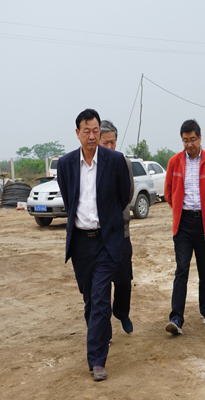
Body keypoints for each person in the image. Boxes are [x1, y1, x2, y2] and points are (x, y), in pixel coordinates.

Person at [57, 109, 132, 381]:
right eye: (86, 131)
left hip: (106, 241)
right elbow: (69, 198)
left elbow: (124, 196)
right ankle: (101, 335)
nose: (92, 136)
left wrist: (108, 223)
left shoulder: (115, 161)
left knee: (101, 298)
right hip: (80, 243)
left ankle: (97, 360)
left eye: (95, 131)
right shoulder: (65, 164)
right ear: (77, 133)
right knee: (89, 299)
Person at [164, 119, 205, 335]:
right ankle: (176, 318)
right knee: (181, 269)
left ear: (200, 138)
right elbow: (168, 193)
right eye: (185, 140)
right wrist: (180, 211)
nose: (189, 144)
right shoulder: (174, 162)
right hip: (183, 224)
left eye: (192, 139)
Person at [99, 120, 135, 336]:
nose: (110, 147)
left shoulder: (124, 162)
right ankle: (103, 327)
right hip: (98, 234)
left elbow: (129, 193)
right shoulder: (91, 165)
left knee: (123, 279)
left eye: (113, 142)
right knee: (100, 283)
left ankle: (122, 313)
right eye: (106, 143)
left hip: (121, 231)